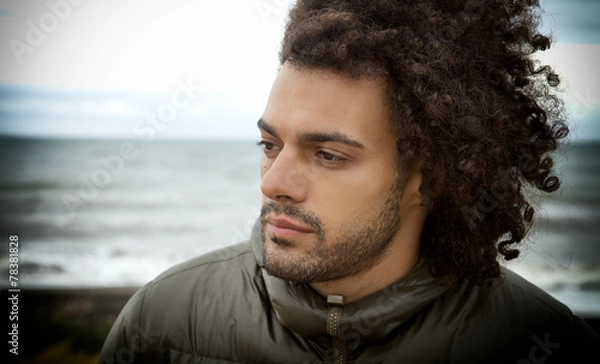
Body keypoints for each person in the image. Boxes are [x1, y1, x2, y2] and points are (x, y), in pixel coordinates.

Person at [99, 0, 600, 363]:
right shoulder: (163, 320)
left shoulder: (540, 340)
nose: (274, 183)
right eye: (270, 145)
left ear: (432, 179)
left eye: (328, 155)